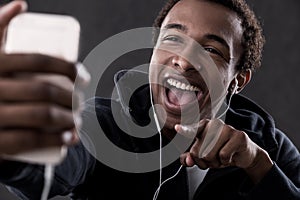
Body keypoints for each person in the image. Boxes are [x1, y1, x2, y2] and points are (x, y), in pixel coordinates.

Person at [0, 0, 299, 200]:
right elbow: (60, 166)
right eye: (173, 39)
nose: (183, 61)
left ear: (237, 80)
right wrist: (17, 144)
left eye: (211, 50)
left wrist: (257, 164)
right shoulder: (104, 124)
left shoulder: (269, 147)